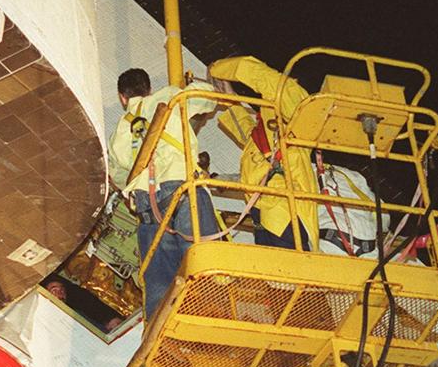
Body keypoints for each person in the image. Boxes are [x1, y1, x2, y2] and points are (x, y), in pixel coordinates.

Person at [108, 67, 220, 319]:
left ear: (122, 97)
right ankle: (211, 319)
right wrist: (196, 84)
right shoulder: (169, 96)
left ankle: (161, 337)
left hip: (147, 207)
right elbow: (209, 97)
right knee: (203, 262)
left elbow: (116, 176)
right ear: (147, 88)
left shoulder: (119, 132)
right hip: (182, 189)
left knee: (159, 281)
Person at [209, 56, 318, 250]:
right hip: (265, 206)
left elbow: (261, 76)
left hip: (284, 207)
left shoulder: (296, 100)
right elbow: (250, 139)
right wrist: (229, 99)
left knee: (287, 272)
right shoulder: (274, 126)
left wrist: (218, 69)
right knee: (271, 276)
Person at [317, 161, 387, 256]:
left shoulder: (307, 170)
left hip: (329, 244)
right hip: (368, 250)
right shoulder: (356, 177)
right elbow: (383, 217)